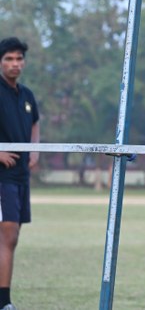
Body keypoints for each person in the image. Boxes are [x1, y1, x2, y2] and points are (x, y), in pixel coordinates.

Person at [0, 37, 41, 310]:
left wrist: (35, 150)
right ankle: (4, 302)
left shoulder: (26, 95)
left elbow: (35, 122)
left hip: (20, 178)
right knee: (9, 235)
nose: (15, 64)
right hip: (1, 177)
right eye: (9, 59)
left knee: (11, 238)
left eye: (19, 59)